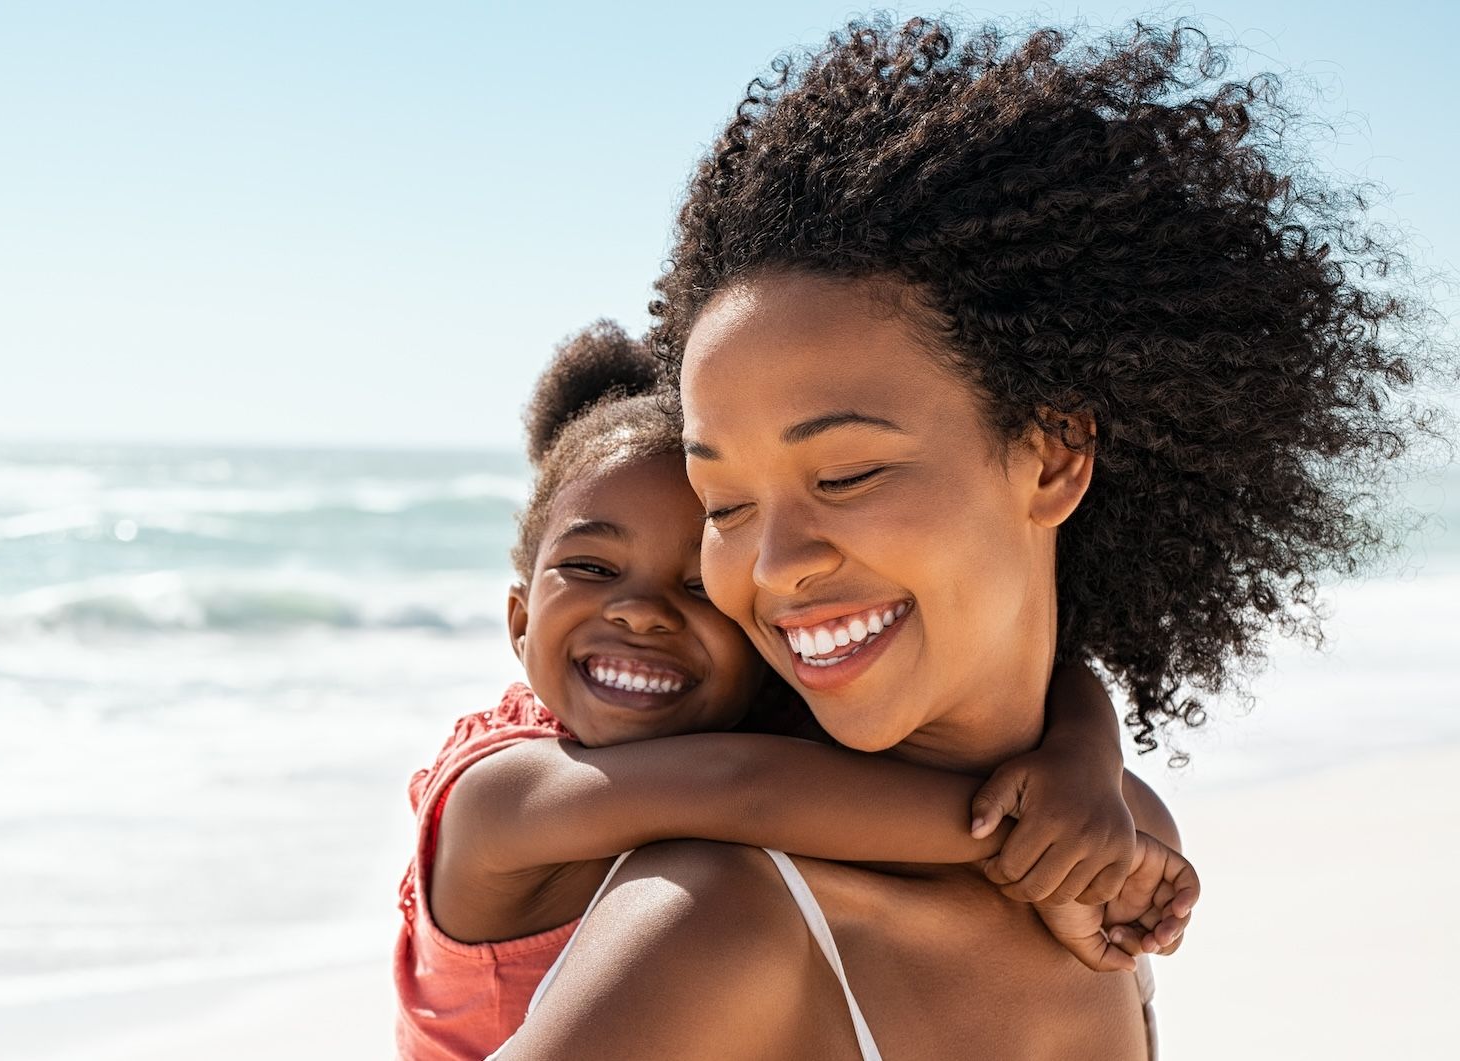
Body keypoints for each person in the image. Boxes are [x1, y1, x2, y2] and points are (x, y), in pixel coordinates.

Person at [496, 18, 1435, 1060]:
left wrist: (1084, 753)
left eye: (844, 473)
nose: (769, 565)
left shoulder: (1109, 844)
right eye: (723, 505)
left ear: (1050, 456)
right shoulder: (711, 919)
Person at [394, 322, 1194, 1061]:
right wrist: (1048, 844)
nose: (639, 612)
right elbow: (744, 789)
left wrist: (1085, 762)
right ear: (519, 620)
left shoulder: (744, 724)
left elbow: (1060, 688)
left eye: (699, 588)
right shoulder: (498, 793)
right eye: (592, 568)